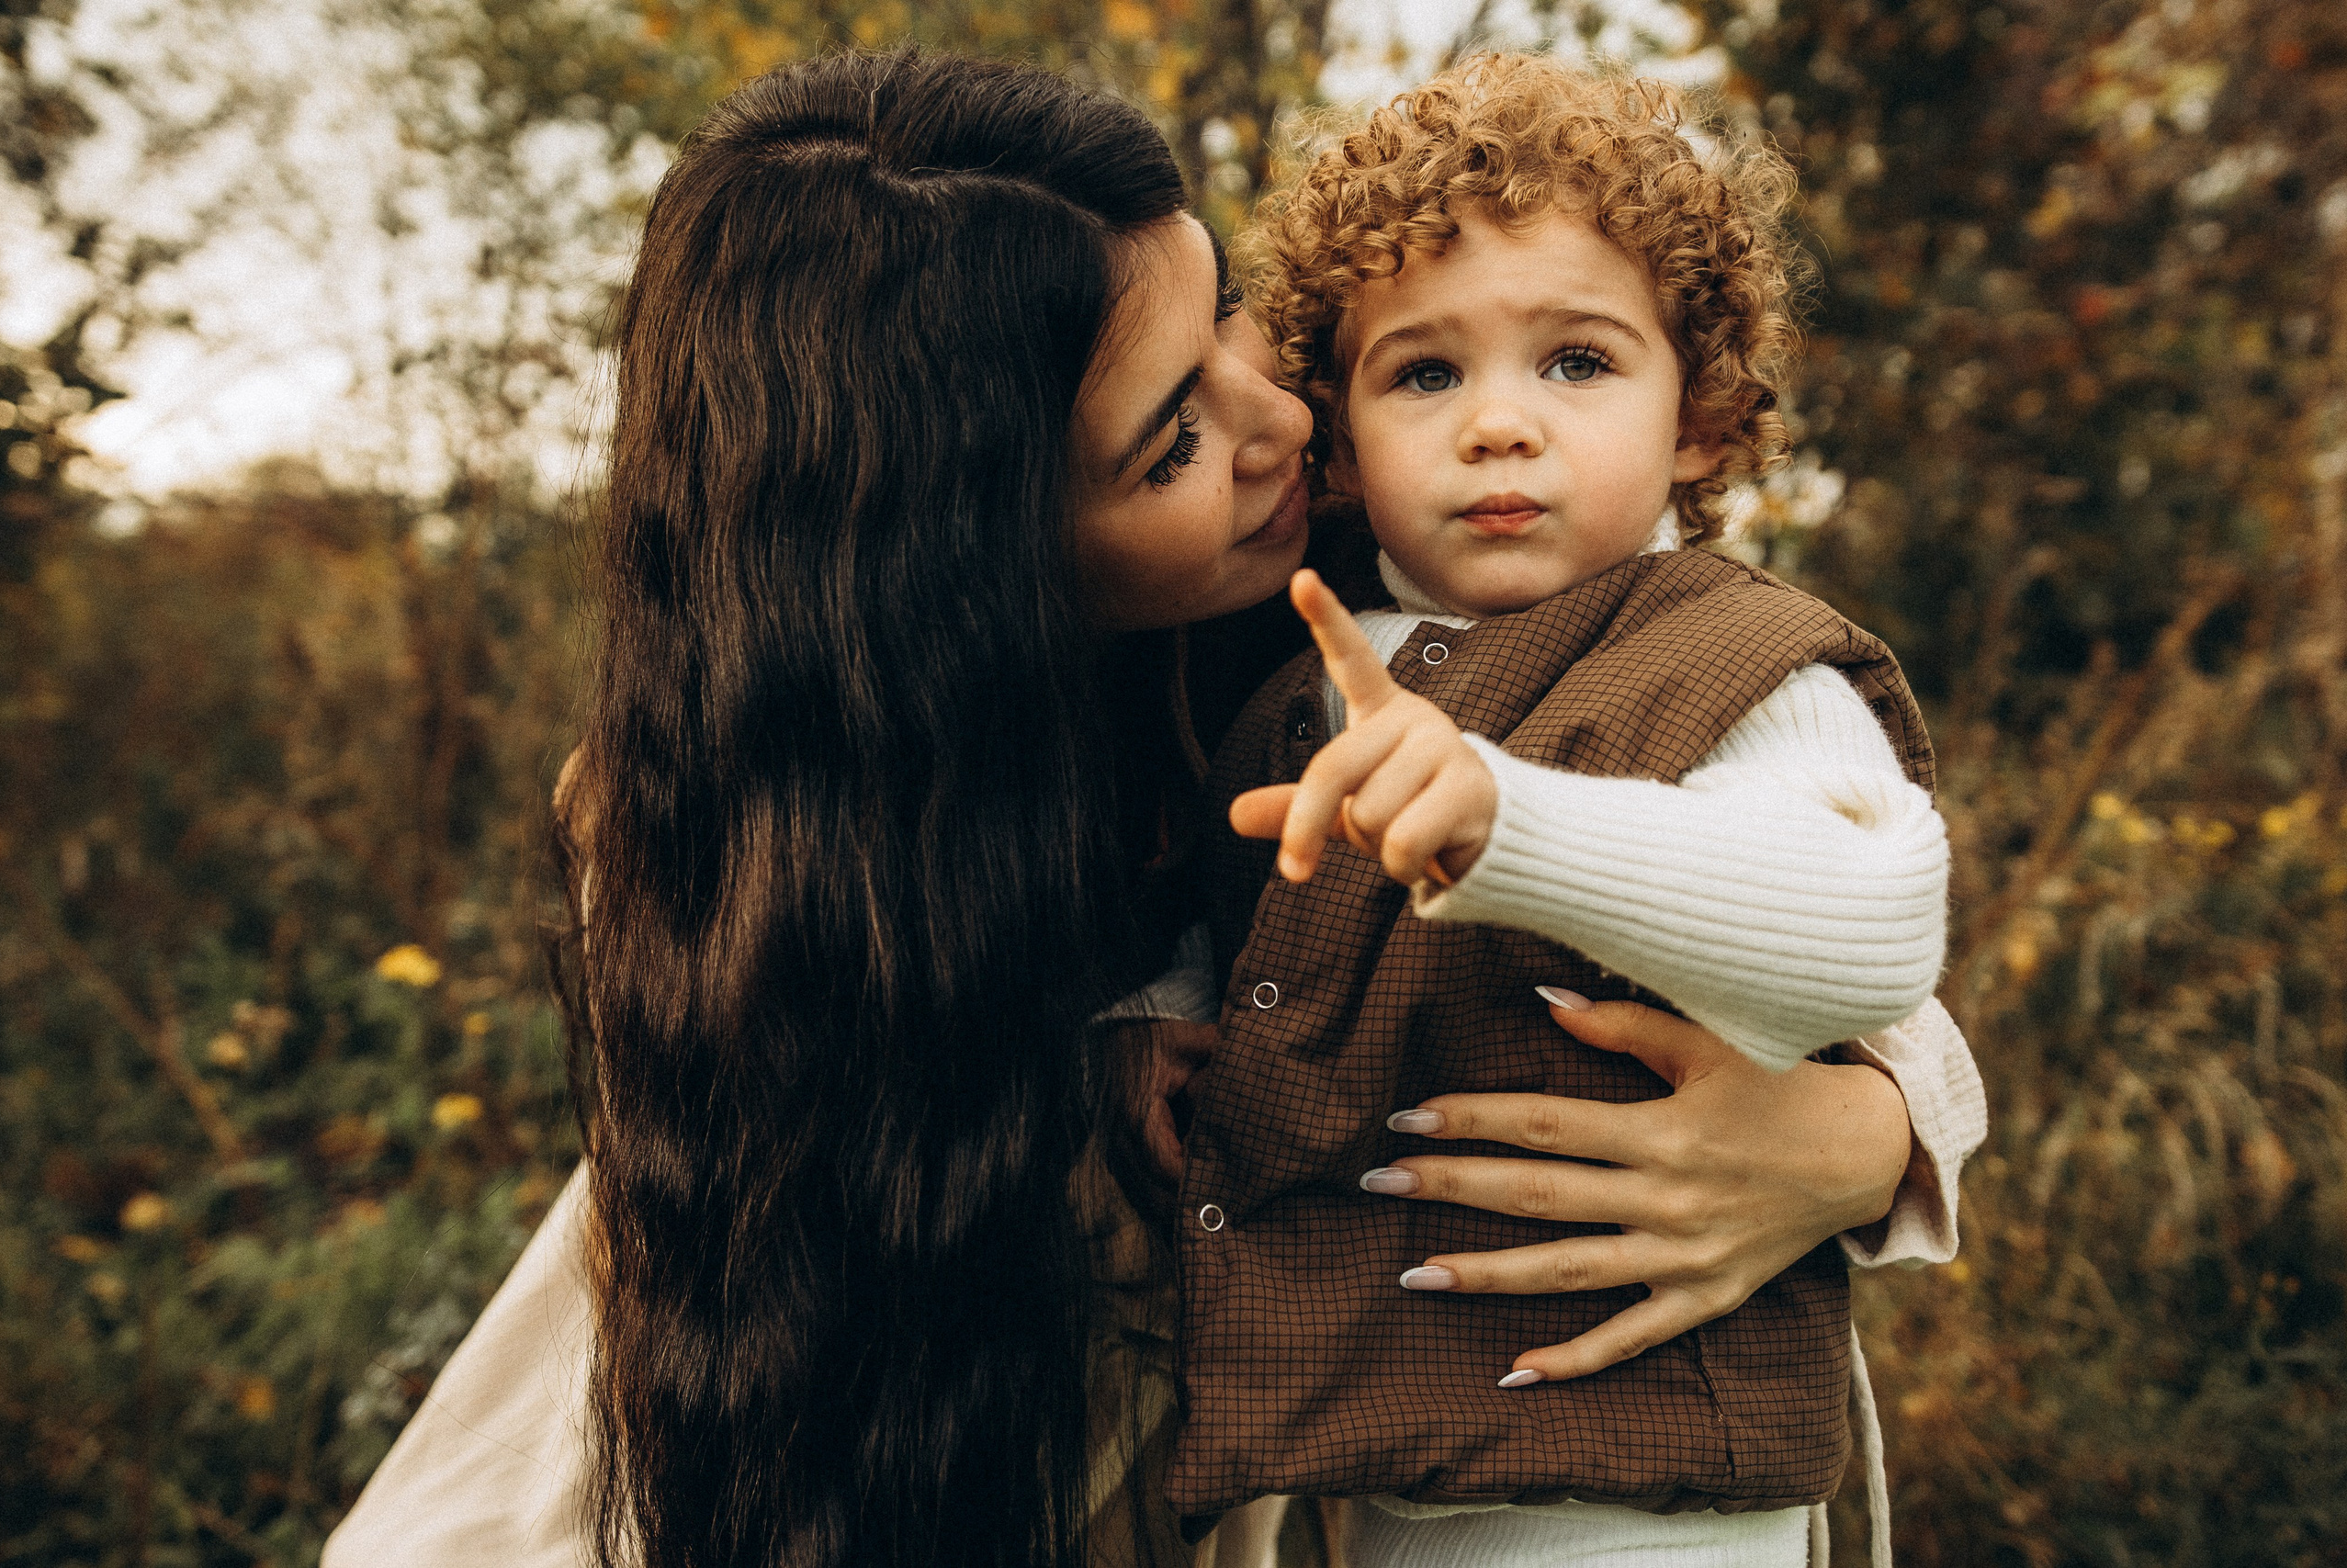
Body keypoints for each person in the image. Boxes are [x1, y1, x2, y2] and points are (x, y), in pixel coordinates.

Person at [320, 48, 1983, 1568]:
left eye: (1238, 333)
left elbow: (1810, 883)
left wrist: (1864, 1137)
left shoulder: (1408, 572)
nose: (1290, 421)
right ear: (977, 567)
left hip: (1577, 1445)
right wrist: (1119, 1045)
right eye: (1174, 435)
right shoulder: (753, 846)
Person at [1168, 54, 1955, 1568]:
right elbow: (1249, 931)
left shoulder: (1734, 654)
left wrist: (1515, 829)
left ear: (1705, 418)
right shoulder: (1304, 673)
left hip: (1644, 1463)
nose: (1500, 425)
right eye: (1425, 373)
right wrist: (1162, 1009)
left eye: (1578, 363)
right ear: (1336, 437)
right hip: (1385, 1456)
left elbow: (1873, 933)